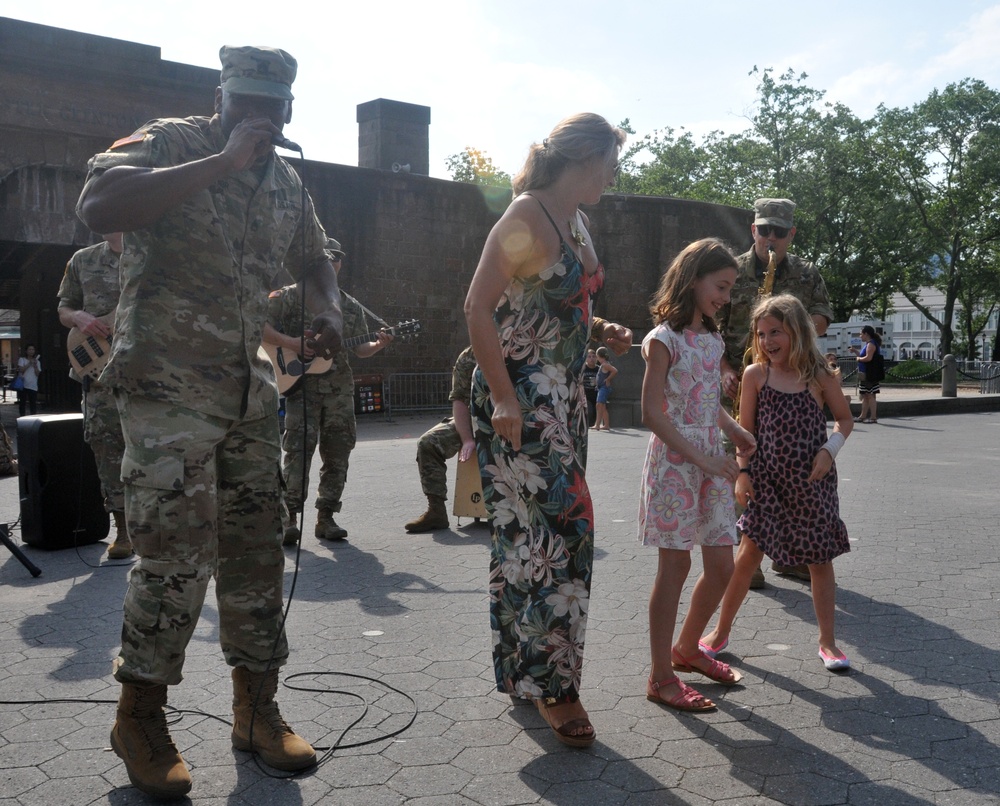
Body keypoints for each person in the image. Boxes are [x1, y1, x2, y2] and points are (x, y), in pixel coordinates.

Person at [76, 46, 343, 798]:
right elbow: (100, 206)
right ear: (217, 95)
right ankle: (140, 717)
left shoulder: (289, 183)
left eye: (274, 105)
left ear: (291, 108)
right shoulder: (170, 141)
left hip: (247, 391)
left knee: (259, 546)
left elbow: (315, 256)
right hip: (166, 387)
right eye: (245, 100)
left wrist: (323, 309)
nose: (260, 116)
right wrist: (222, 162)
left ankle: (256, 710)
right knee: (174, 554)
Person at [464, 113, 632, 748]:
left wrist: (600, 328)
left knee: (524, 536)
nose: (615, 176)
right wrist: (504, 396)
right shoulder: (525, 217)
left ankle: (523, 675)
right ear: (584, 159)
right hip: (522, 398)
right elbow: (478, 306)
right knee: (565, 529)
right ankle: (555, 688)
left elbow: (554, 305)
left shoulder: (576, 219)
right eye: (611, 163)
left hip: (564, 398)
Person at [700, 294, 853, 671]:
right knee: (748, 555)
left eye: (776, 332)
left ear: (798, 332)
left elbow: (845, 421)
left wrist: (829, 451)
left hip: (811, 482)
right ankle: (720, 632)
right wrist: (744, 473)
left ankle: (828, 642)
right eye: (762, 333)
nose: (768, 341)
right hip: (766, 479)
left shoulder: (819, 376)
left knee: (819, 560)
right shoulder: (756, 375)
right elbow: (745, 432)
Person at [639, 239, 756, 713]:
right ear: (693, 279)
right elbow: (652, 413)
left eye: (730, 289)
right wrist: (704, 458)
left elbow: (707, 407)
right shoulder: (662, 339)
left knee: (723, 566)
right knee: (675, 566)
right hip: (674, 464)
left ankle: (687, 649)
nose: (727, 298)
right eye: (721, 286)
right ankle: (660, 675)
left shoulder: (710, 339)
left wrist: (737, 432)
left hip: (710, 460)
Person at [719, 197, 835, 587]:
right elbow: (708, 324)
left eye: (779, 232)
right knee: (743, 467)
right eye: (764, 230)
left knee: (793, 472)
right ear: (753, 230)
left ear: (791, 234)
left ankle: (791, 557)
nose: (771, 238)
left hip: (790, 384)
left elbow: (822, 316)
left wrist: (796, 332)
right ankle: (746, 556)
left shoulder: (806, 274)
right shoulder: (729, 271)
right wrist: (723, 369)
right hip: (740, 381)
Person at [264, 238, 393, 545]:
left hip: (339, 388)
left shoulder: (348, 305)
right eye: (327, 257)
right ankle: (289, 518)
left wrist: (379, 345)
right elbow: (258, 326)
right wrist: (292, 343)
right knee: (298, 451)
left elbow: (360, 348)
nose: (333, 263)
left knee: (338, 450)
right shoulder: (285, 297)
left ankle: (327, 517)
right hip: (300, 387)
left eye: (337, 259)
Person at [57, 233, 132, 559]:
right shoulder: (82, 260)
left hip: (147, 371)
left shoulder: (154, 251)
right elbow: (64, 307)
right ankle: (124, 532)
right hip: (98, 375)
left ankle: (161, 529)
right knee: (106, 449)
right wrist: (78, 317)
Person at [404, 345, 477, 533]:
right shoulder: (469, 356)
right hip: (474, 417)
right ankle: (436, 511)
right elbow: (460, 399)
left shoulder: (518, 349)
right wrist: (467, 439)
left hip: (513, 417)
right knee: (428, 443)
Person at [850, 325, 882, 424]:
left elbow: (868, 358)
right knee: (865, 395)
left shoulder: (871, 344)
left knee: (870, 395)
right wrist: (856, 352)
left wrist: (858, 359)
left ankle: (873, 417)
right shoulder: (869, 344)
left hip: (869, 373)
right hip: (866, 373)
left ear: (866, 334)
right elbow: (865, 356)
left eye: (861, 334)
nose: (860, 336)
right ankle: (862, 416)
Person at [591, 346, 618, 431]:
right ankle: (606, 424)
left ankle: (597, 424)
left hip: (604, 388)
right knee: (603, 406)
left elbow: (615, 370)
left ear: (598, 356)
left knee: (599, 405)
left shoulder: (605, 365)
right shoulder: (603, 365)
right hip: (601, 387)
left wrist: (608, 379)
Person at [16, 345, 41, 416]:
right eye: (29, 349)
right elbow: (21, 370)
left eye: (33, 349)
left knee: (33, 403)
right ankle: (22, 416)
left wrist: (35, 366)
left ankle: (33, 417)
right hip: (23, 384)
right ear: (26, 351)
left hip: (33, 385)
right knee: (22, 403)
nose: (31, 351)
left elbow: (37, 374)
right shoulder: (22, 359)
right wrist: (30, 363)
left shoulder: (37, 362)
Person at [581, 348, 599, 428]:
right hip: (586, 394)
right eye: (589, 357)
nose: (591, 359)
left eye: (593, 356)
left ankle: (592, 425)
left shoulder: (599, 369)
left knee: (596, 411)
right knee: (590, 410)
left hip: (596, 393)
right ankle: (589, 426)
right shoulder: (583, 368)